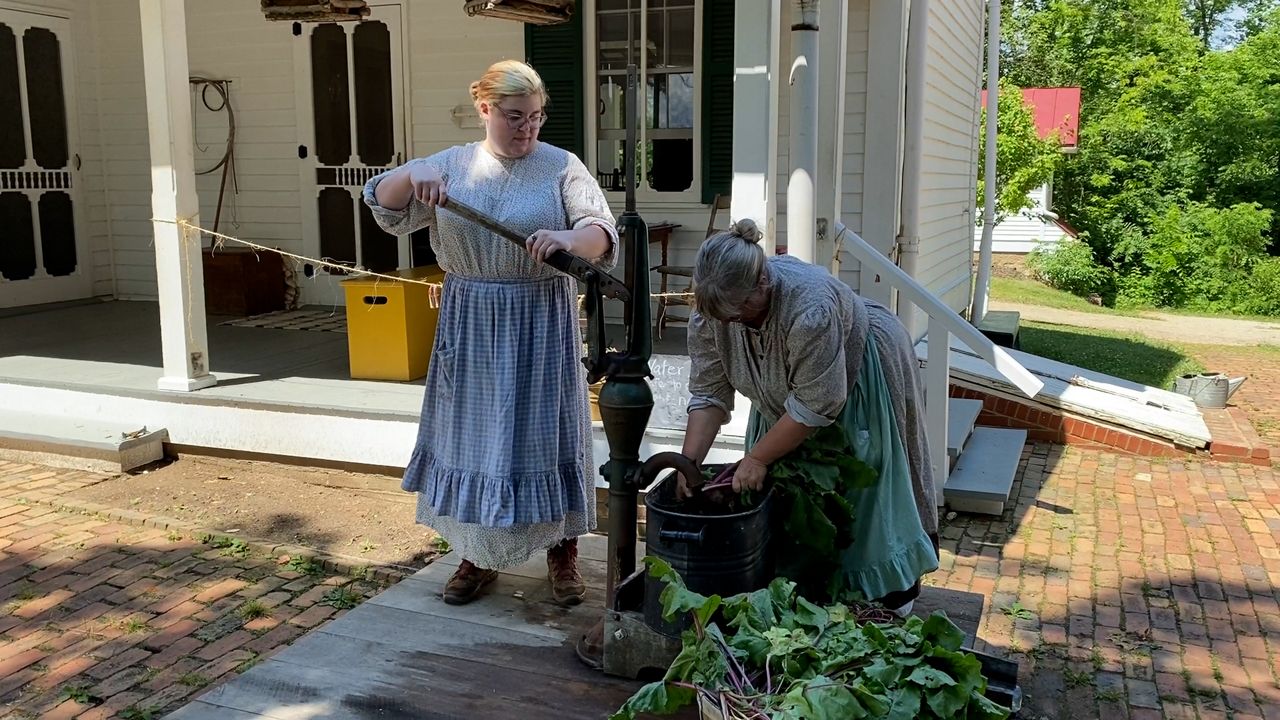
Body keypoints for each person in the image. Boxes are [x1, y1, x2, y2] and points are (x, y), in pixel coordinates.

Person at [362, 60, 617, 607]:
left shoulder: (560, 165)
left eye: (536, 117)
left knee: (547, 433)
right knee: (474, 437)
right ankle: (476, 555)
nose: (528, 128)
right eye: (515, 116)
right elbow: (384, 203)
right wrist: (411, 171)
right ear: (484, 109)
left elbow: (601, 233)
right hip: (471, 319)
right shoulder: (449, 165)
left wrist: (570, 239)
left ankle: (561, 550)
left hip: (540, 319)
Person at [678, 219, 939, 611]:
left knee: (864, 477)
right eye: (723, 317)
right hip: (784, 395)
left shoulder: (809, 309)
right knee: (782, 493)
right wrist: (688, 462)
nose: (730, 324)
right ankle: (806, 588)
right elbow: (710, 392)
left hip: (857, 370)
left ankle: (888, 597)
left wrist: (758, 457)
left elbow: (814, 405)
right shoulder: (715, 311)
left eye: (739, 314)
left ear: (763, 282)